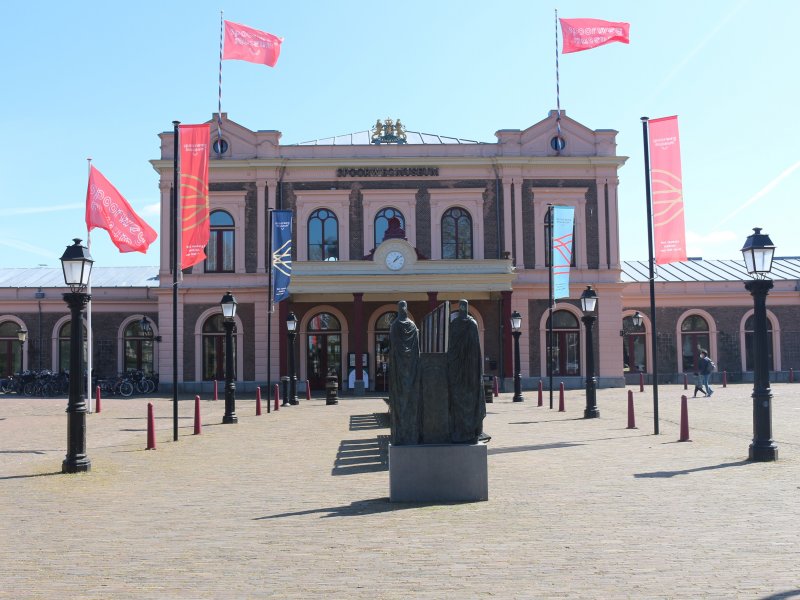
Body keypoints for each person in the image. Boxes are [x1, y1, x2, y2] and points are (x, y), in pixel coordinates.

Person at [447, 299, 485, 444]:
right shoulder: (470, 324)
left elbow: (452, 350)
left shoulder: (458, 325)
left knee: (460, 399)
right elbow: (474, 352)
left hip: (463, 370)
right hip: (466, 371)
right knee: (463, 399)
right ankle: (466, 431)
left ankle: (463, 432)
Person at [388, 300, 421, 445]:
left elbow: (393, 348)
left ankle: (402, 432)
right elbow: (416, 351)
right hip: (412, 369)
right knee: (411, 399)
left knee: (401, 398)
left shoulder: (395, 326)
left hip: (399, 371)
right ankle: (410, 432)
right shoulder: (412, 326)